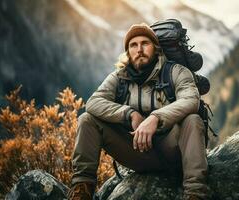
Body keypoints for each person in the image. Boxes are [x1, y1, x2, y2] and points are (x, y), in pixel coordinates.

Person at [68, 23, 208, 200]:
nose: (139, 49)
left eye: (145, 43)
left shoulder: (177, 72)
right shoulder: (119, 77)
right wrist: (129, 114)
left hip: (174, 151)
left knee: (193, 120)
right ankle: (82, 190)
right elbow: (93, 103)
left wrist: (156, 118)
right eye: (133, 45)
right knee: (87, 120)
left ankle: (195, 193)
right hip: (137, 152)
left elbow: (191, 100)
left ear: (156, 49)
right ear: (128, 52)